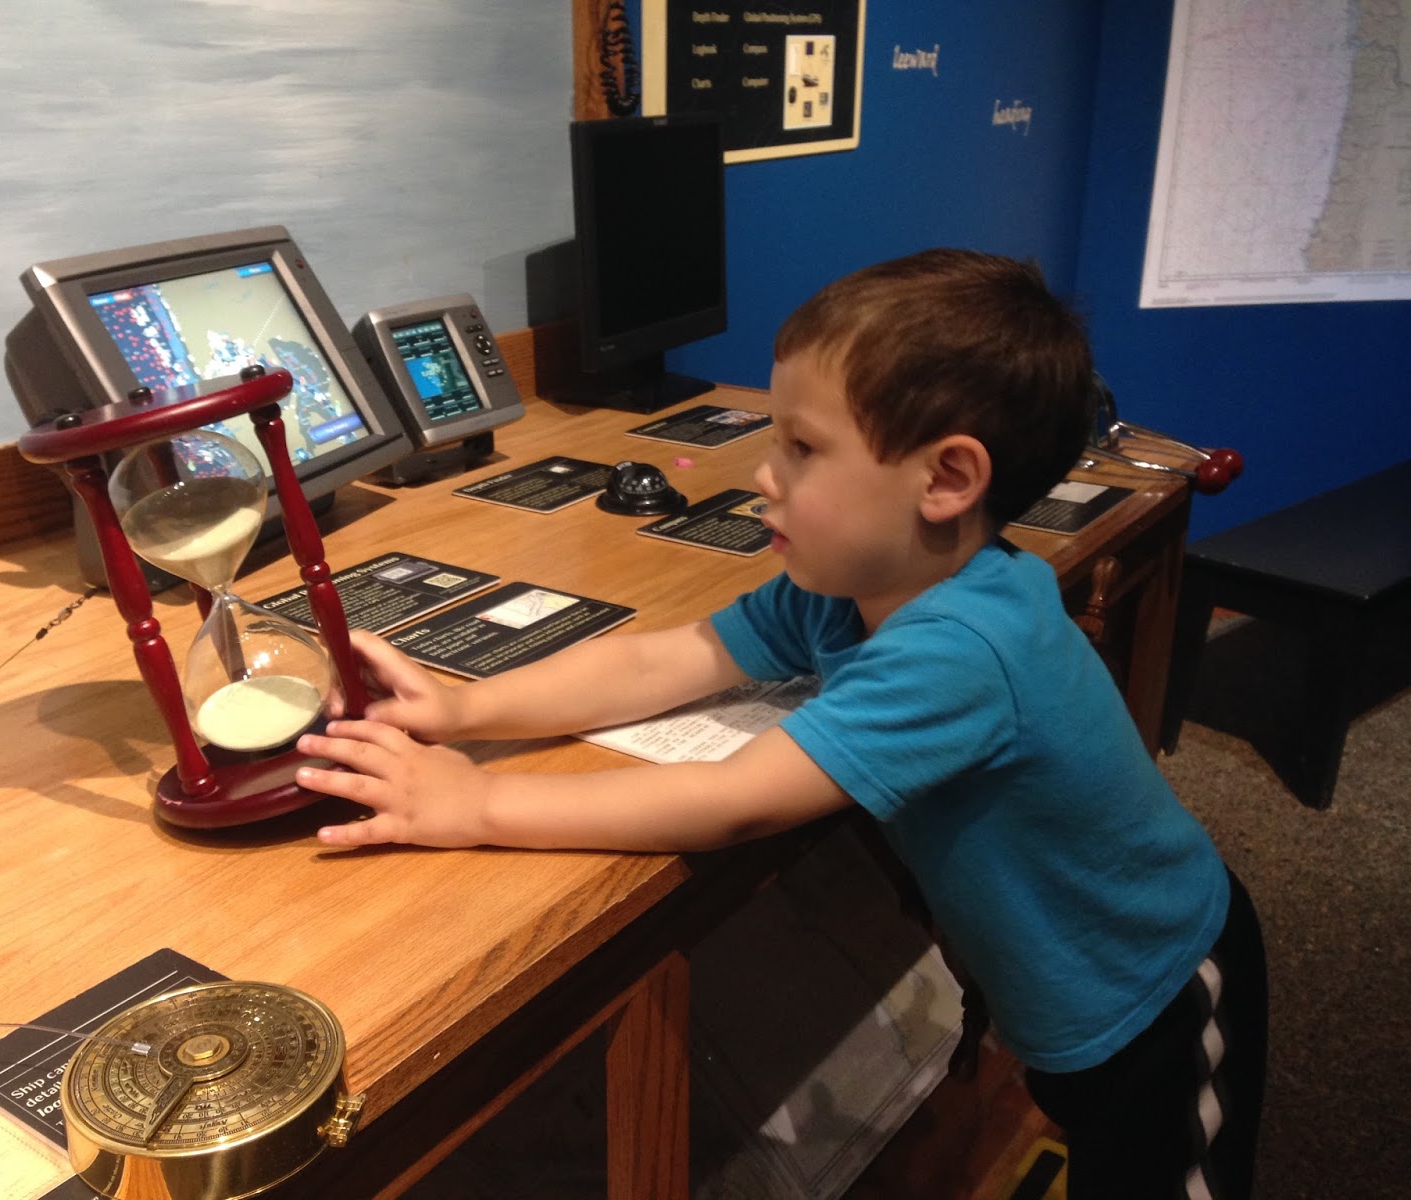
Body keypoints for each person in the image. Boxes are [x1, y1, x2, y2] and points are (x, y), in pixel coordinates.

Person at [294, 249, 1267, 1199]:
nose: (765, 475)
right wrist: (461, 707)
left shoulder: (962, 649)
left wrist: (475, 804)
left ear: (945, 479)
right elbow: (662, 658)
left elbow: (734, 800)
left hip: (1155, 995)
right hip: (1063, 1001)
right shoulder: (849, 586)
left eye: (802, 448)